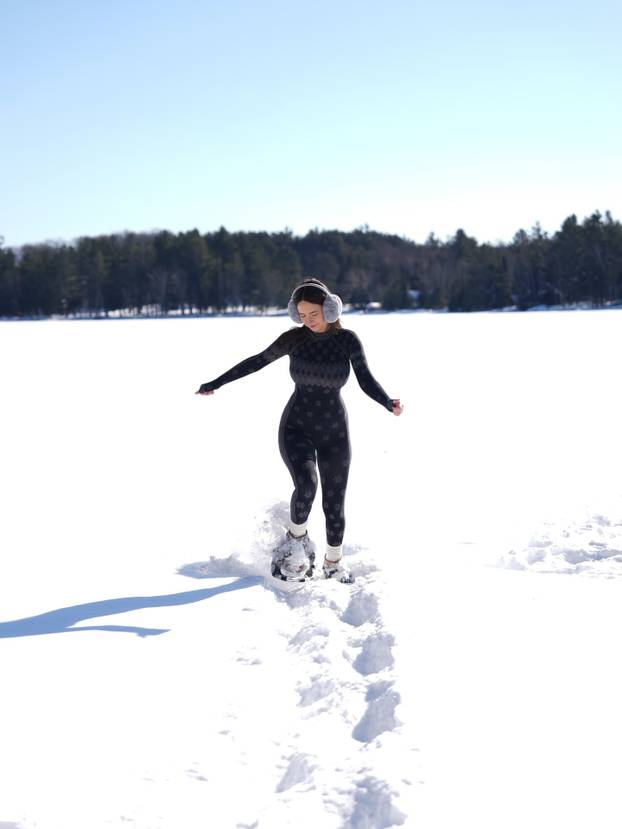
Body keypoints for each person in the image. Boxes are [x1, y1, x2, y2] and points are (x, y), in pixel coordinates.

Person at [196, 278, 403, 583]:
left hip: (335, 432)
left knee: (334, 501)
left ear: (330, 309)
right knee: (307, 485)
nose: (308, 321)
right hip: (296, 426)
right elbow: (257, 361)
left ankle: (333, 563)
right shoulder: (294, 339)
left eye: (314, 314)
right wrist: (217, 382)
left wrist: (387, 401)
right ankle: (295, 545)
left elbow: (365, 379)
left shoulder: (347, 341)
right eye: (302, 315)